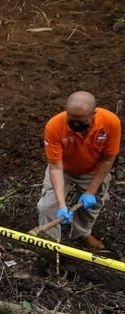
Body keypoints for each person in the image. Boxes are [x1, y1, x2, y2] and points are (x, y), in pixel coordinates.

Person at [37, 91, 121, 250]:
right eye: (71, 121)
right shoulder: (54, 126)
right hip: (63, 170)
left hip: (93, 170)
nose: (75, 126)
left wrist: (91, 191)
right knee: (47, 207)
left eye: (81, 122)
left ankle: (82, 233)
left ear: (93, 114)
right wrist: (62, 205)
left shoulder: (110, 122)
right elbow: (55, 167)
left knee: (93, 204)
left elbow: (108, 159)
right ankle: (49, 245)